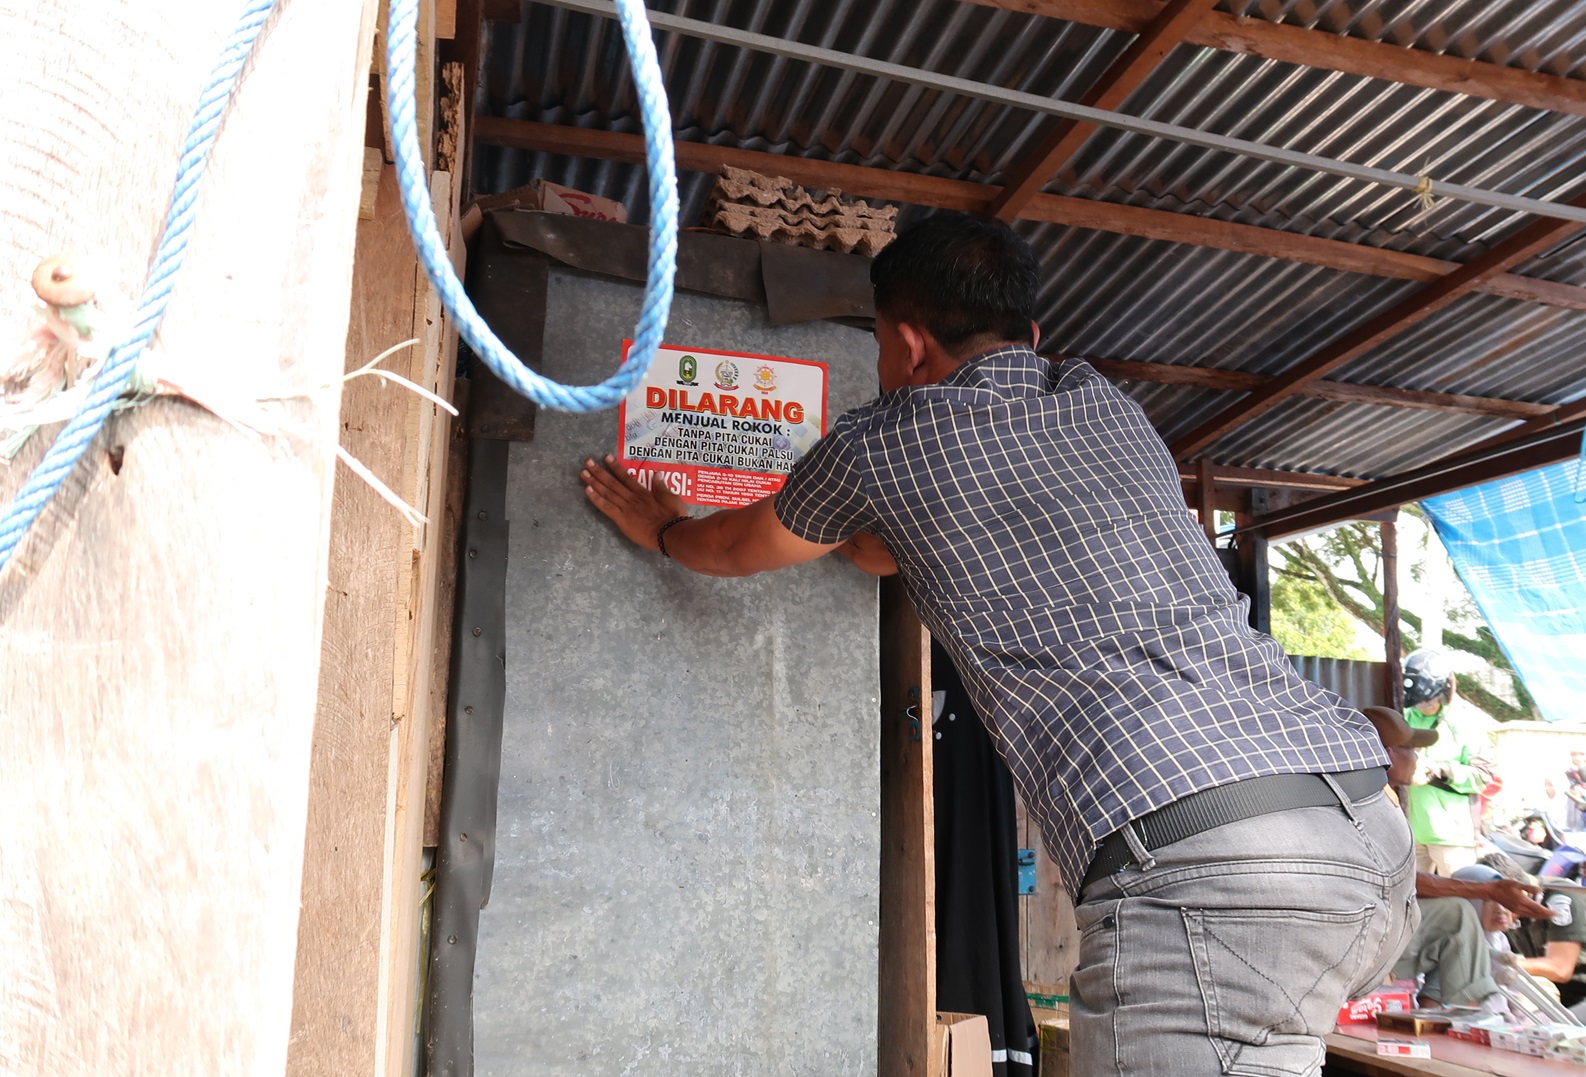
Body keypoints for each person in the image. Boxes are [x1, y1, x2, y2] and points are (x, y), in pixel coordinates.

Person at [580, 212, 1415, 1077]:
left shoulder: (886, 442)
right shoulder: (1106, 406)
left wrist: (664, 528)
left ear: (907, 345)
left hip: (1212, 877)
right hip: (1364, 829)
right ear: (1033, 334)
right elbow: (893, 547)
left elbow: (736, 546)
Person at [1401, 648, 1495, 876]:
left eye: (1427, 701)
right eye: (1418, 702)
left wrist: (1441, 770)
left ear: (1444, 691)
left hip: (1453, 838)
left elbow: (1484, 775)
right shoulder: (1404, 716)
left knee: (1460, 901)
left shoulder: (1464, 723)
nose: (1422, 706)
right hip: (1409, 834)